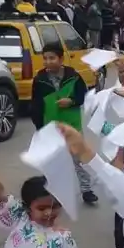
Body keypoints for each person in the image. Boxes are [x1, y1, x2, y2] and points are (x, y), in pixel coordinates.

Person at [28, 42, 97, 204]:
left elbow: (83, 96)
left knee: (79, 159)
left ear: (61, 59)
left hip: (72, 125)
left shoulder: (74, 77)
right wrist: (39, 127)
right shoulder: (40, 80)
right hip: (50, 126)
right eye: (45, 58)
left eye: (52, 58)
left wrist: (72, 101)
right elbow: (35, 105)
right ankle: (52, 192)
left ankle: (86, 190)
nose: (48, 62)